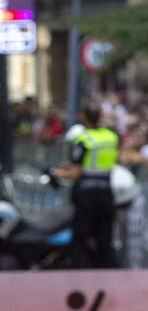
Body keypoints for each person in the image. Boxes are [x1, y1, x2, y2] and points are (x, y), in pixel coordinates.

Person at [55, 104, 120, 268]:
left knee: (79, 243)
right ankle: (110, 284)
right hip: (106, 196)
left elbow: (77, 172)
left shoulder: (84, 139)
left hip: (87, 200)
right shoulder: (110, 137)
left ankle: (84, 281)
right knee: (105, 244)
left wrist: (55, 174)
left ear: (84, 117)